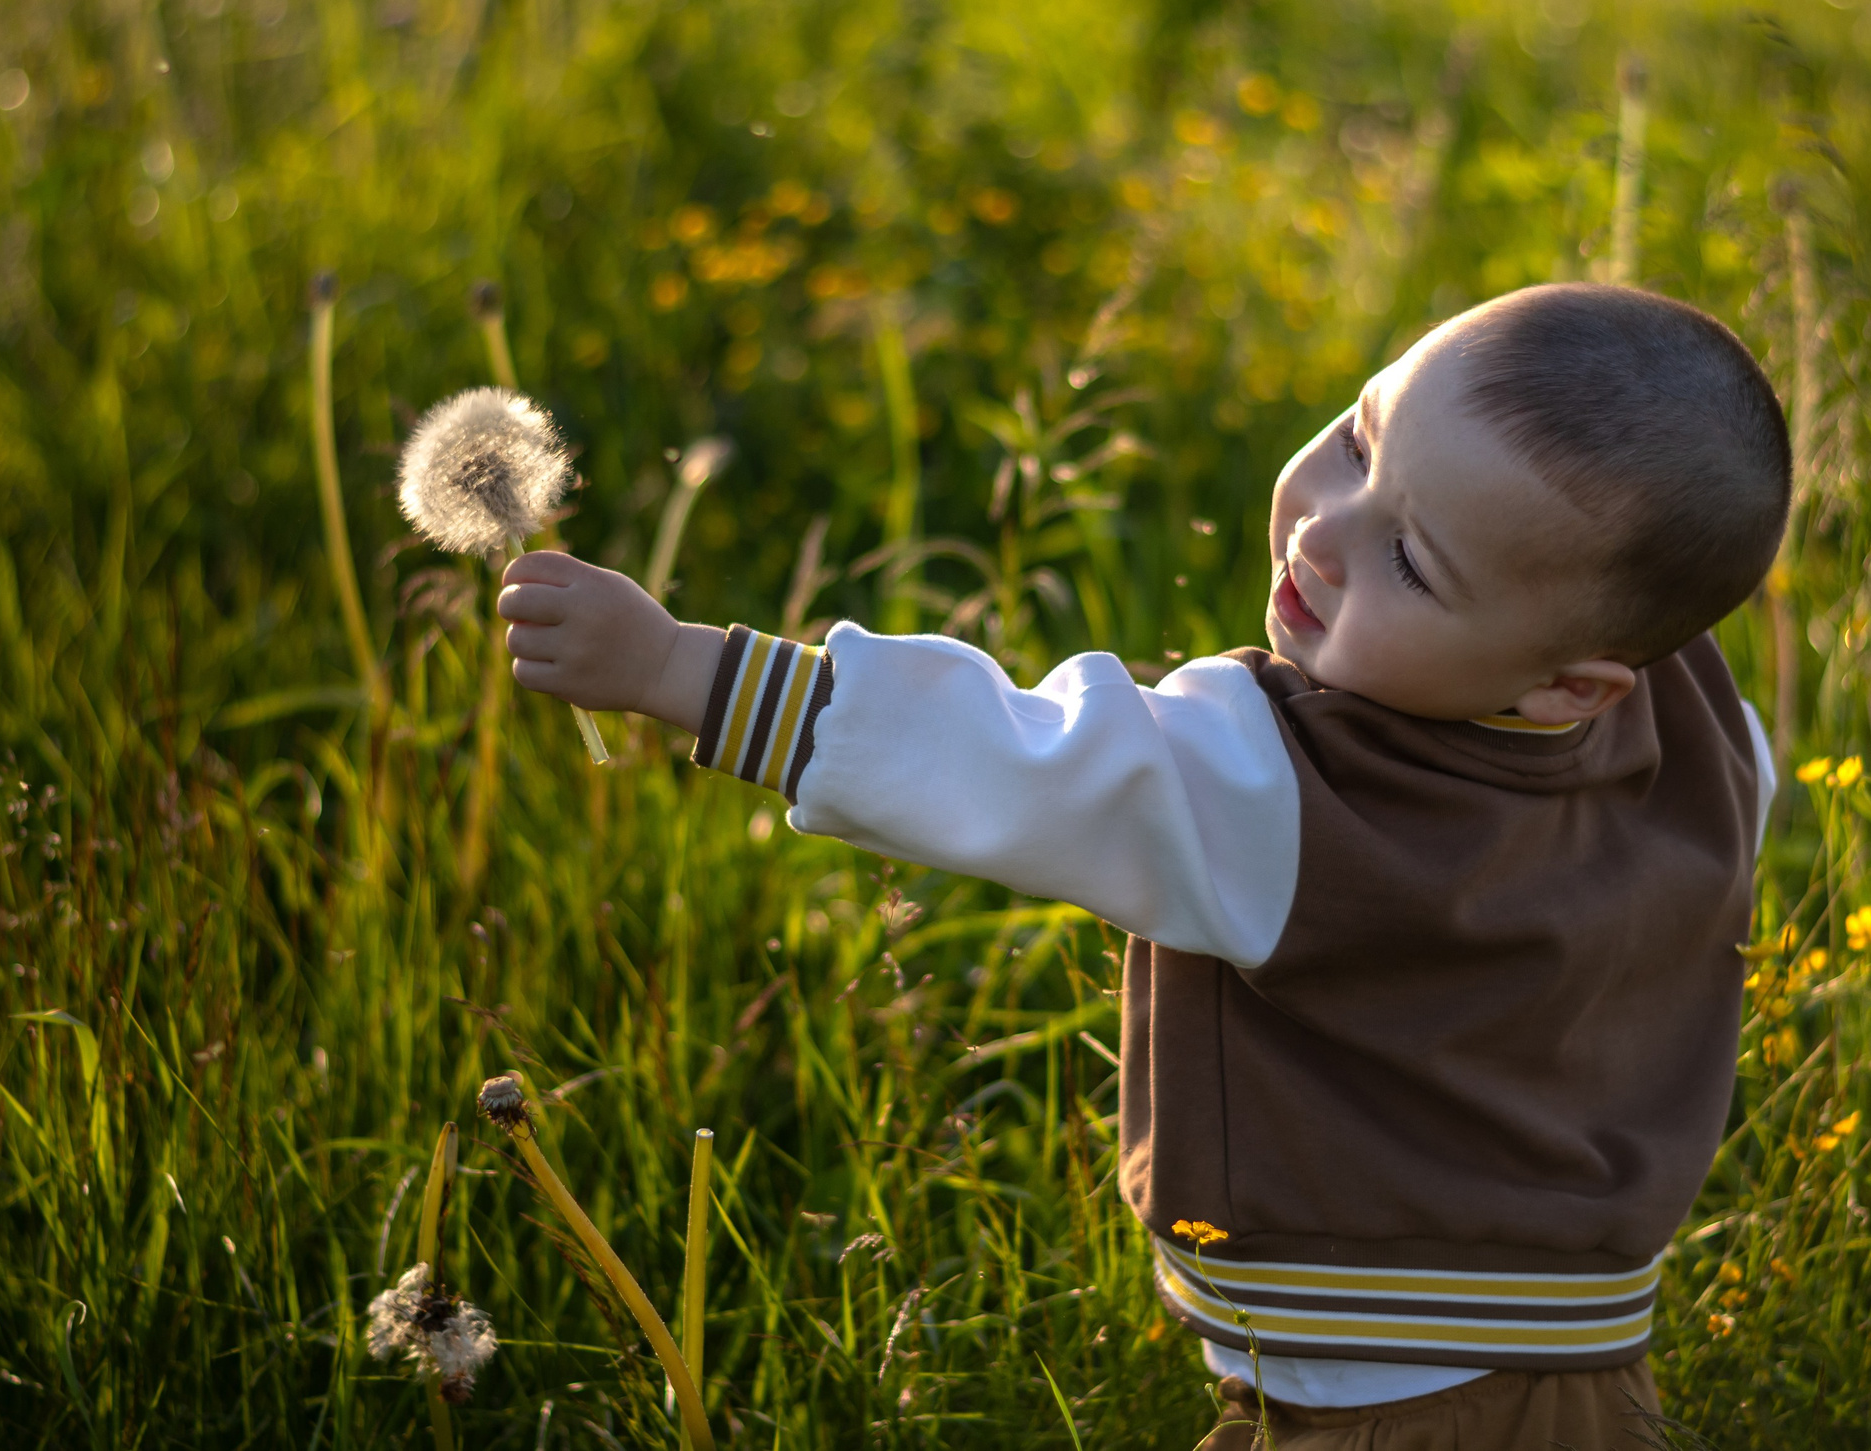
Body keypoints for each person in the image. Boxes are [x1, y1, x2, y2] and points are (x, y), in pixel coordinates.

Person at [498, 282, 1788, 1450]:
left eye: (1411, 561)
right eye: (1359, 439)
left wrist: (679, 671)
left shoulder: (1288, 790)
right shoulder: (1706, 733)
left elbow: (1012, 762)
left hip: (1383, 1400)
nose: (1326, 533)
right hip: (1595, 1370)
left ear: (1573, 680)